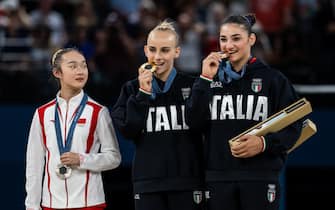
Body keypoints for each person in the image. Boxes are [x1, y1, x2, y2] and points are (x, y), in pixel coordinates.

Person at [185, 14, 303, 210]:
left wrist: (265, 143)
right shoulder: (208, 80)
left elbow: (294, 125)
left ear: (251, 39)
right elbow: (193, 122)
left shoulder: (273, 80)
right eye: (223, 39)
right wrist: (205, 78)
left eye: (236, 38)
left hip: (260, 177)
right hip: (218, 178)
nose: (228, 45)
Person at [111, 20, 205, 210]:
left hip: (188, 182)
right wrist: (143, 95)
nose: (157, 56)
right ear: (145, 50)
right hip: (148, 183)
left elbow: (204, 126)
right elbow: (128, 130)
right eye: (153, 50)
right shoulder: (131, 89)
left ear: (176, 52)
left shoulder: (195, 86)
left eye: (165, 50)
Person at [25, 48, 121, 210]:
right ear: (57, 73)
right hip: (51, 205)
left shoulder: (98, 112)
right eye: (73, 66)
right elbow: (34, 165)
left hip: (90, 204)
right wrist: (32, 206)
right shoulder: (42, 114)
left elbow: (114, 157)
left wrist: (82, 160)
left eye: (83, 66)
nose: (80, 71)